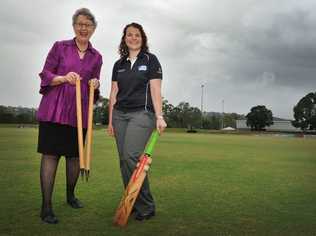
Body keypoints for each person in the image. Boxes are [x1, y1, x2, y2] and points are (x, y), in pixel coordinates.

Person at [36, 8, 102, 224]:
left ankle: (70, 195)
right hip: (54, 111)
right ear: (74, 26)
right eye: (80, 24)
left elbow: (95, 86)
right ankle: (46, 207)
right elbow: (46, 74)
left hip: (79, 114)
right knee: (51, 156)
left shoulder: (97, 57)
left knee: (75, 157)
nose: (84, 28)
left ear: (93, 29)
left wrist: (95, 83)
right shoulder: (59, 47)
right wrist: (63, 78)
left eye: (88, 25)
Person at [108, 22, 167, 221]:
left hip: (142, 114)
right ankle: (130, 201)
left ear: (143, 38)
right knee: (124, 161)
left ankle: (146, 205)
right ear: (124, 38)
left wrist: (159, 116)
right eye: (129, 35)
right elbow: (114, 93)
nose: (133, 38)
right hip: (120, 115)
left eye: (137, 35)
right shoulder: (119, 64)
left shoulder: (151, 60)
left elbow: (156, 89)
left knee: (131, 156)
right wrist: (110, 121)